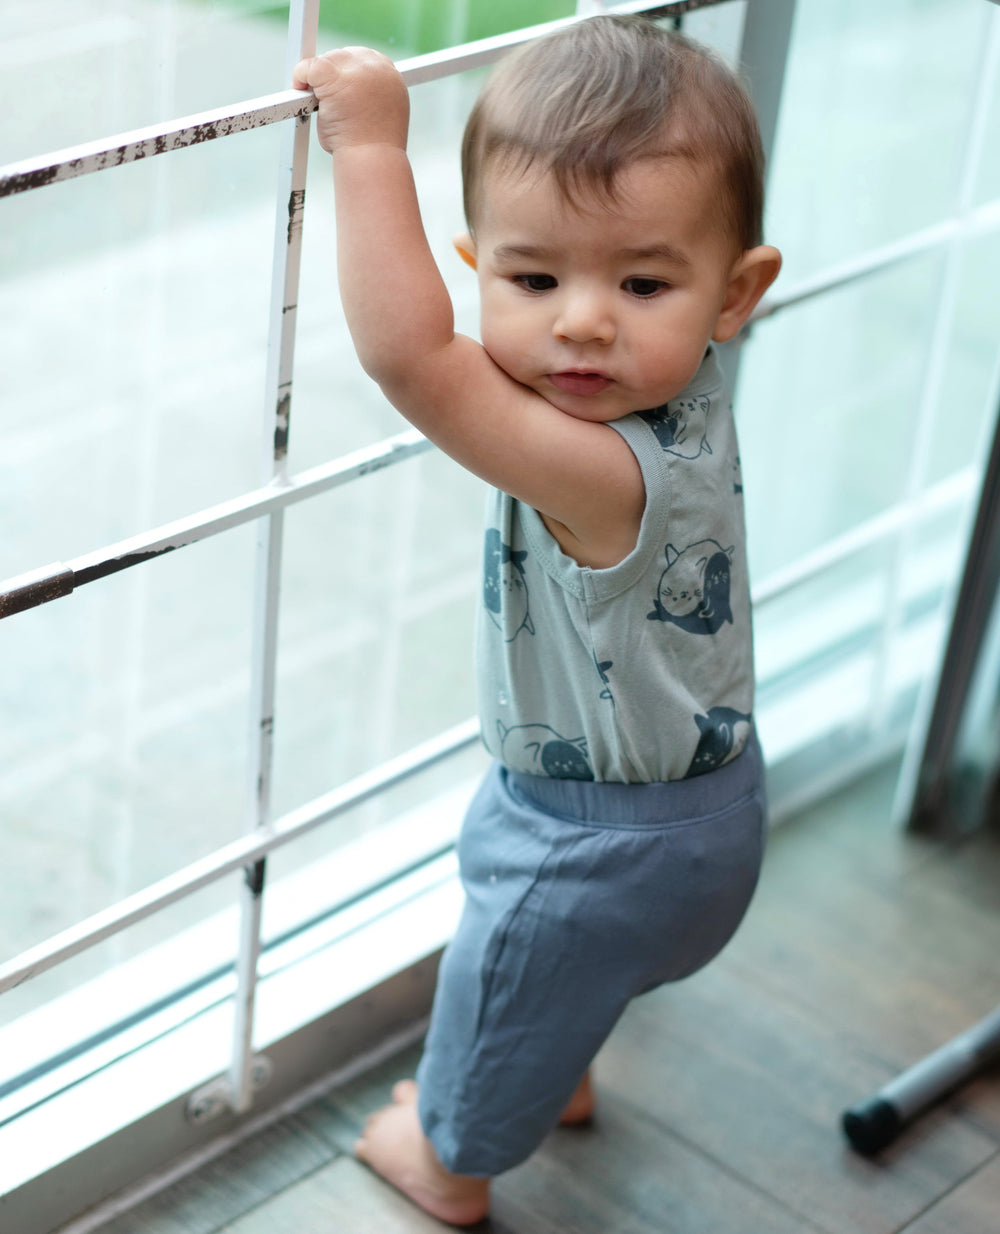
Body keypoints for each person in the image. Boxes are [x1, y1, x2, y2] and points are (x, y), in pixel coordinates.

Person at [294, 14, 781, 1226]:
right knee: (562, 986)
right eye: (532, 277)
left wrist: (369, 146)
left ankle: (450, 1160)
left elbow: (413, 359)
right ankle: (554, 1067)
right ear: (482, 263)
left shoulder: (601, 474)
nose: (580, 322)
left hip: (587, 851)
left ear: (736, 292)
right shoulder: (689, 398)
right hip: (706, 809)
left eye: (640, 282)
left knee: (498, 986)